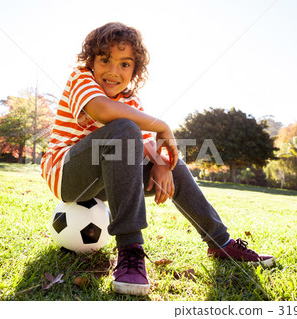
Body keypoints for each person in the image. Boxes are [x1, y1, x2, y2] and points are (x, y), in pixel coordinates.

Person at [41, 22, 275, 296]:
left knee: (170, 160)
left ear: (135, 70)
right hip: (67, 175)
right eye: (105, 60)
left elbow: (147, 143)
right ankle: (130, 250)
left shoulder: (131, 101)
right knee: (124, 128)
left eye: (125, 64)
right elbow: (102, 110)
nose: (113, 71)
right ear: (91, 61)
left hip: (109, 180)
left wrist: (163, 165)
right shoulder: (81, 79)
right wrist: (162, 125)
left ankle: (219, 242)